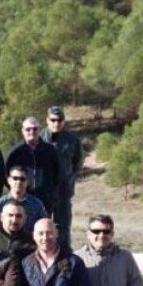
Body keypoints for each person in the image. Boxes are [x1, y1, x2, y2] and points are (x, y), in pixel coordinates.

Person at [41, 106, 83, 251]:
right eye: (53, 120)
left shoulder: (72, 140)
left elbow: (77, 163)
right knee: (42, 226)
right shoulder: (39, 138)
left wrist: (69, 179)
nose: (56, 123)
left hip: (63, 191)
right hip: (43, 191)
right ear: (47, 120)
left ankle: (64, 256)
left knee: (63, 228)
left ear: (64, 121)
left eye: (60, 120)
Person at [5, 116, 59, 215]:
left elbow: (57, 174)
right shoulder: (15, 152)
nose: (32, 132)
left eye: (35, 129)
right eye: (28, 129)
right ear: (22, 131)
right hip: (22, 199)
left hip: (45, 199)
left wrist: (50, 191)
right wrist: (17, 190)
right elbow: (5, 174)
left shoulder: (50, 150)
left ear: (40, 130)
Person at [0, 166, 48, 234]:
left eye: (22, 179)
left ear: (28, 182)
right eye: (15, 178)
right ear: (8, 180)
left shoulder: (36, 205)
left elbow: (45, 226)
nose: (18, 182)